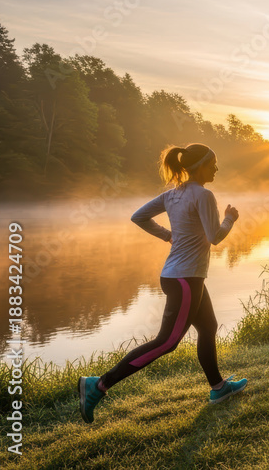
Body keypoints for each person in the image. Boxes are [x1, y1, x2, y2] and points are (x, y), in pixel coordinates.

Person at [78, 143, 247, 424]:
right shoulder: (204, 195)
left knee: (208, 327)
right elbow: (215, 237)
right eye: (213, 163)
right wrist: (230, 218)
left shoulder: (172, 195)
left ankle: (219, 388)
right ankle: (98, 386)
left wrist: (169, 236)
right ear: (200, 166)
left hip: (178, 276)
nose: (216, 168)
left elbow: (138, 217)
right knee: (167, 341)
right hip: (186, 279)